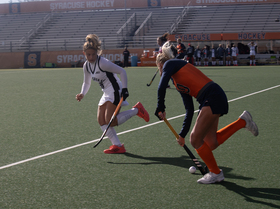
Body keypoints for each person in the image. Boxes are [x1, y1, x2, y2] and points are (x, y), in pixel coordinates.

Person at [154, 41, 259, 184]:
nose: (160, 71)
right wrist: (182, 135)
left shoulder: (171, 64)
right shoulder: (178, 82)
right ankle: (243, 122)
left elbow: (161, 88)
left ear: (161, 65)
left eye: (159, 67)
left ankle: (216, 173)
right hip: (211, 98)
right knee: (211, 143)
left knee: (196, 140)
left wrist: (160, 107)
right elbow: (189, 110)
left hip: (212, 96)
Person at [76, 34, 150, 154]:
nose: (91, 57)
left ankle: (137, 110)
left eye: (93, 54)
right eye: (88, 54)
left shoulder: (103, 63)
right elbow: (86, 82)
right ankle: (117, 145)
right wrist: (82, 93)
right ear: (84, 53)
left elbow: (122, 71)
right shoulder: (86, 66)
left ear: (97, 53)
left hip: (116, 90)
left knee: (111, 121)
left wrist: (125, 89)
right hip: (106, 92)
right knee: (101, 121)